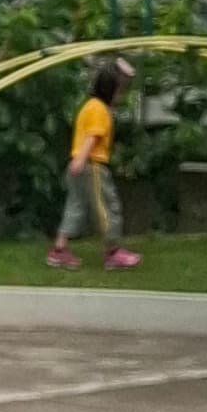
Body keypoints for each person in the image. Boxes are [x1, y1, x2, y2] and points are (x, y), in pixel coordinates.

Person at [47, 58, 138, 271]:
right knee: (107, 206)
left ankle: (59, 250)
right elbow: (92, 137)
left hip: (79, 165)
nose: (121, 96)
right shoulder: (100, 110)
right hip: (92, 166)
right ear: (111, 91)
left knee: (75, 206)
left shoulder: (90, 106)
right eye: (119, 91)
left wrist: (77, 161)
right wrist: (82, 159)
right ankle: (113, 251)